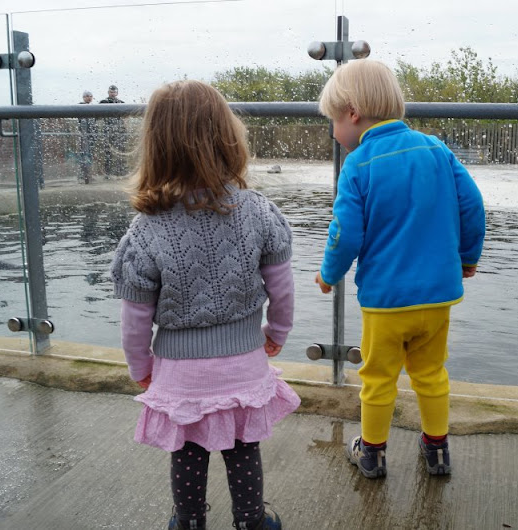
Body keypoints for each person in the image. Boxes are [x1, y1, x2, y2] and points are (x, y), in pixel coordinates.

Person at [110, 80, 300, 529]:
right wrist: (277, 334)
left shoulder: (146, 230)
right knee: (242, 447)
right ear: (228, 137)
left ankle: (190, 522)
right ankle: (251, 521)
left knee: (188, 451)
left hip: (179, 370)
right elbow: (283, 289)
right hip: (244, 362)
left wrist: (141, 367)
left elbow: (135, 319)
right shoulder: (258, 211)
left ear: (155, 147)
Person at [314, 60, 485, 478]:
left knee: (378, 377)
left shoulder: (359, 165)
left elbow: (345, 233)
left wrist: (328, 273)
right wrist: (467, 257)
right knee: (430, 372)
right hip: (438, 297)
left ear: (352, 113)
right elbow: (473, 206)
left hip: (385, 303)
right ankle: (437, 450)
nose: (334, 132)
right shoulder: (436, 150)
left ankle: (371, 453)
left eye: (333, 121)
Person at [99, 85, 126, 177]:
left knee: (120, 151)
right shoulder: (104, 102)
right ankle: (108, 172)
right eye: (111, 92)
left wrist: (123, 130)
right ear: (108, 92)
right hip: (108, 130)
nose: (113, 93)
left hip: (119, 131)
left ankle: (120, 171)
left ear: (117, 93)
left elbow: (125, 117)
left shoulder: (122, 103)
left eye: (114, 92)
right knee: (108, 151)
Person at [77, 90, 97, 183]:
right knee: (84, 155)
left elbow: (94, 122)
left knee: (89, 155)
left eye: (90, 96)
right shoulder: (80, 106)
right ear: (83, 97)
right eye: (87, 96)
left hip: (91, 136)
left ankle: (88, 175)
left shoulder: (93, 108)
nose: (89, 97)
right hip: (84, 136)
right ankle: (85, 175)